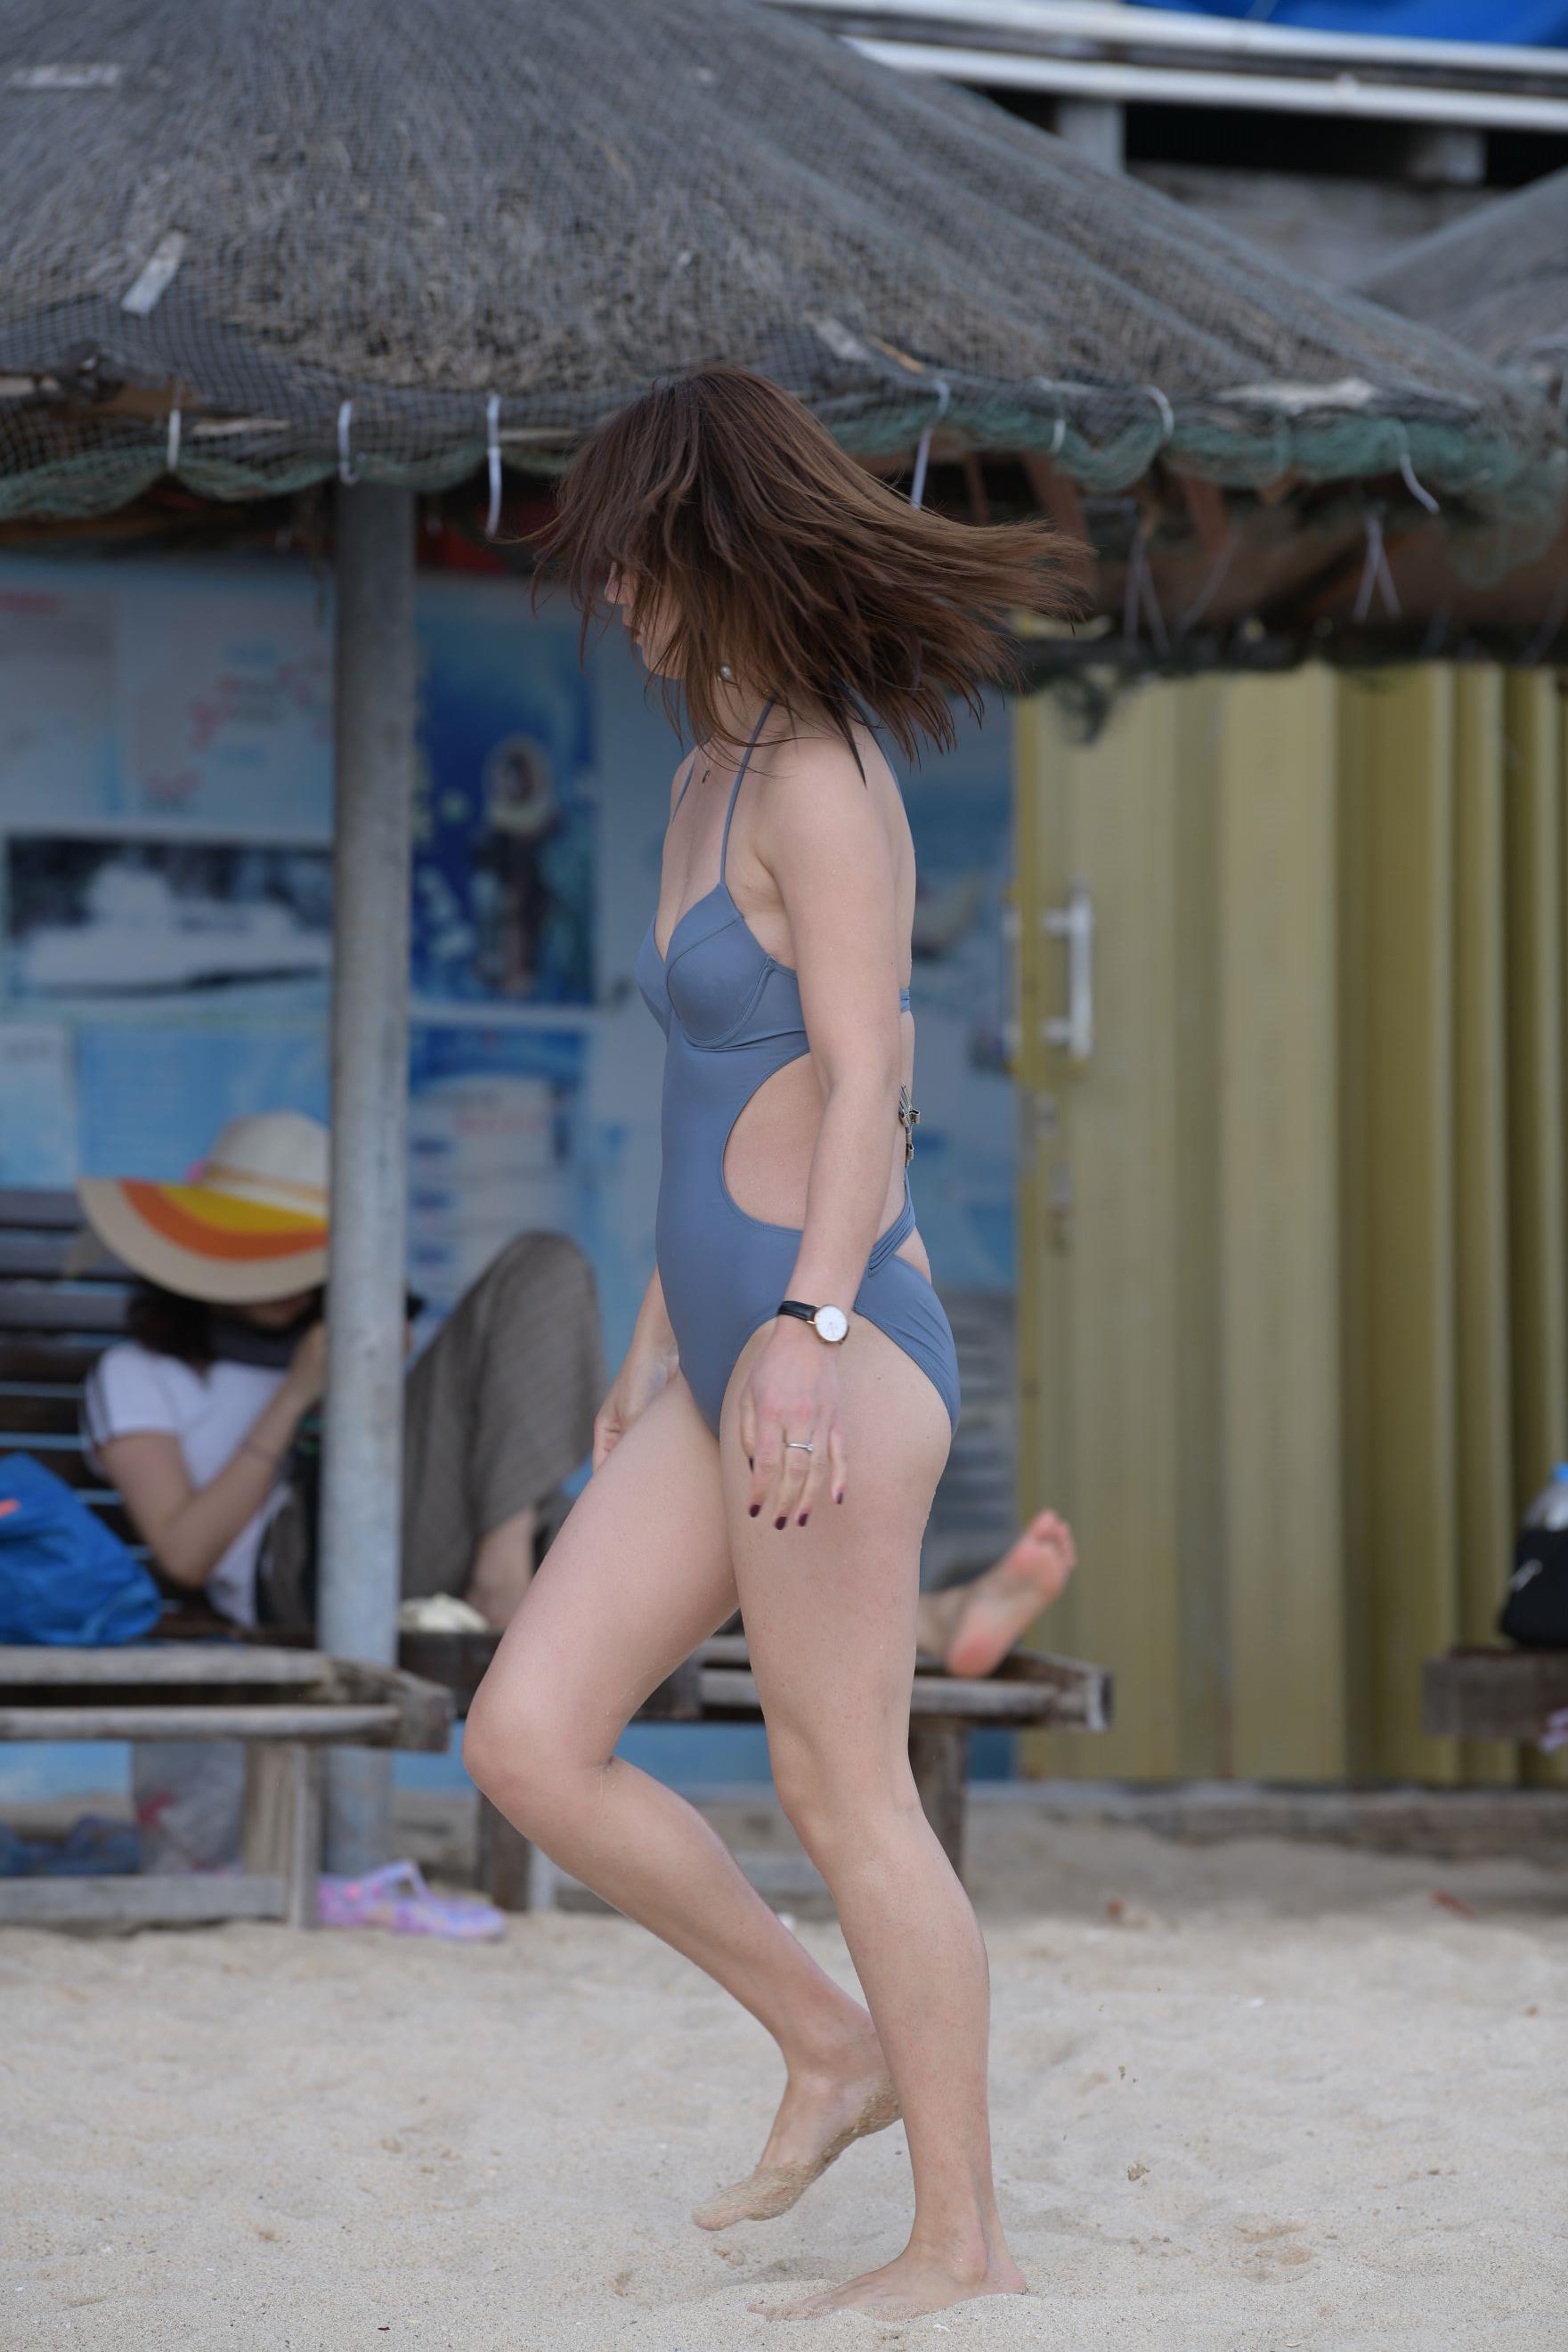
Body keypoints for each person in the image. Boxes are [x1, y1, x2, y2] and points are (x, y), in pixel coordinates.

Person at [461, 364, 1077, 2323]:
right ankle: (827, 2039)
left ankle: (962, 2243)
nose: (609, 591)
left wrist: (806, 1329)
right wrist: (662, 1338)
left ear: (705, 543)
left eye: (627, 555)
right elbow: (707, 1096)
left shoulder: (819, 774)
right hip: (722, 1349)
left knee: (844, 1788)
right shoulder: (697, 776)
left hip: (836, 1342)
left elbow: (865, 1074)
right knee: (527, 1739)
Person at [76, 1111, 605, 1867]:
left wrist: (376, 1377)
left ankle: (511, 1557)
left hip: (428, 1537)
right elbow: (186, 1554)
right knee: (544, 1276)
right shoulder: (137, 1374)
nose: (288, 1282)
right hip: (297, 1571)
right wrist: (297, 1394)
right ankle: (514, 1575)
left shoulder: (340, 1337)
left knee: (547, 1267)